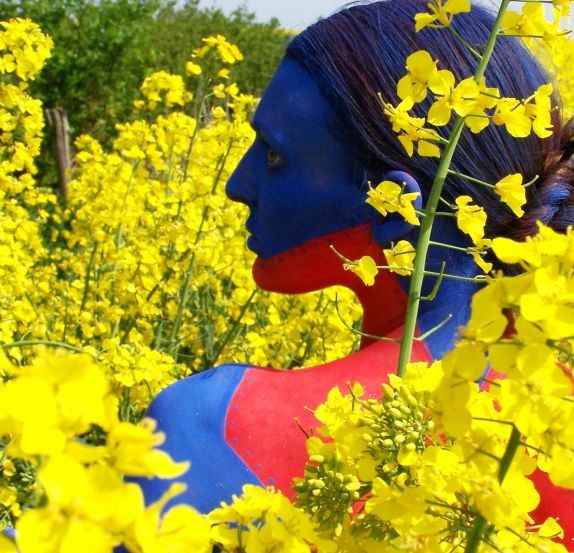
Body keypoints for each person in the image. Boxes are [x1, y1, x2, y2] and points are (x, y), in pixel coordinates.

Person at [134, 0, 574, 540]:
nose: (237, 185)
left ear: (396, 205)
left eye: (273, 156)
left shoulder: (205, 428)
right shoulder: (556, 425)